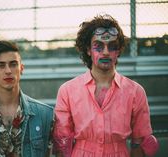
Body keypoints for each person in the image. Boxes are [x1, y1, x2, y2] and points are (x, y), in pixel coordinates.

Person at [53, 14, 159, 157]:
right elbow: (62, 141)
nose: (106, 52)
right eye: (98, 46)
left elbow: (139, 141)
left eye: (112, 46)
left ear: (119, 50)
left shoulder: (135, 92)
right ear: (88, 50)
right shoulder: (68, 91)